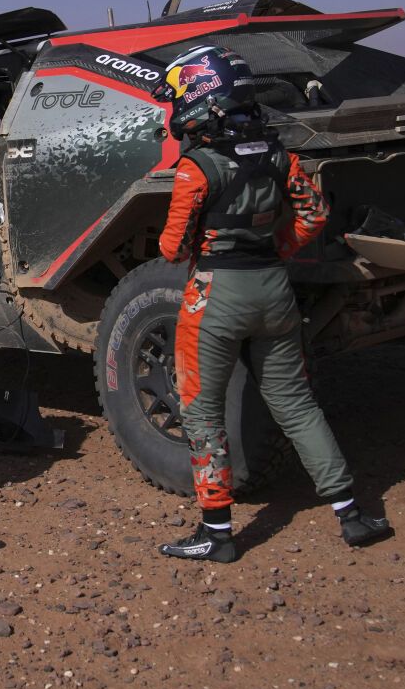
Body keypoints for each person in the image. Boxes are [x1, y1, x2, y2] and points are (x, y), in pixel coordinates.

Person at [150, 45, 391, 562]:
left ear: (198, 97)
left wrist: (209, 247)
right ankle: (351, 514)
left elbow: (172, 247)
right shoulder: (282, 156)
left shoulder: (197, 168)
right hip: (274, 289)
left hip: (215, 296)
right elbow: (314, 215)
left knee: (201, 414)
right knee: (297, 405)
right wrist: (276, 249)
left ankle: (217, 533)